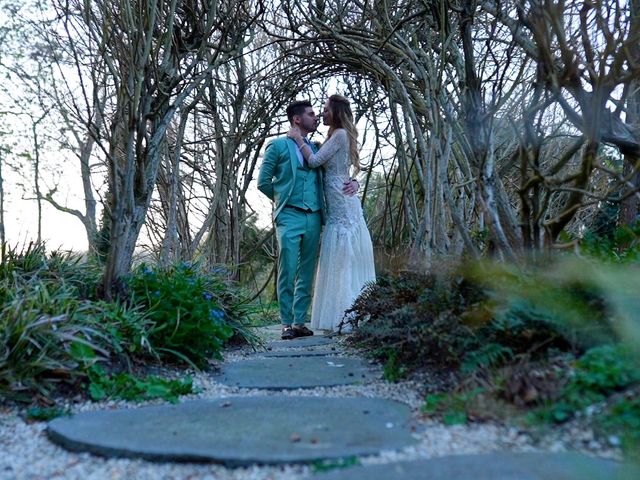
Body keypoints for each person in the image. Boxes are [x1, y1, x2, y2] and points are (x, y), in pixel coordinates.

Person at [257, 100, 359, 340]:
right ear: (297, 119)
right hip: (289, 214)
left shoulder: (315, 147)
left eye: (318, 113)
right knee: (288, 268)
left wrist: (355, 182)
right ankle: (285, 323)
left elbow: (338, 169)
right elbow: (263, 182)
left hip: (315, 216)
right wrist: (284, 199)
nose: (317, 117)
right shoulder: (278, 146)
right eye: (312, 114)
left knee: (307, 271)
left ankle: (300, 322)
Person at [288, 94, 376, 332]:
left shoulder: (339, 135)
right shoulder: (335, 136)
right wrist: (354, 182)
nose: (322, 114)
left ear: (336, 113)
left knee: (344, 257)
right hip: (339, 200)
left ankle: (348, 317)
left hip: (342, 204)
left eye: (325, 110)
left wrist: (298, 139)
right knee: (341, 256)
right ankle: (343, 314)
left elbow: (315, 161)